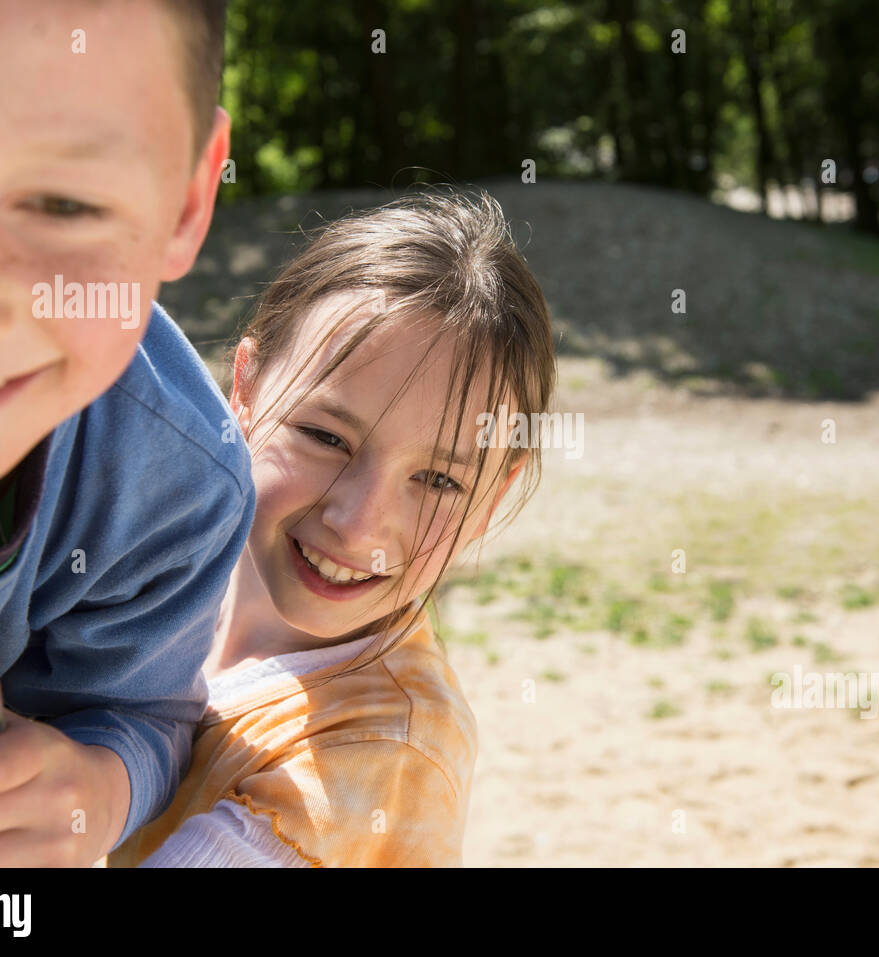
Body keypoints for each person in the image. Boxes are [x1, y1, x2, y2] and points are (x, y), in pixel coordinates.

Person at [0, 0, 253, 865]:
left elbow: (146, 711)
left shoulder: (173, 485)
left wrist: (98, 789)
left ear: (188, 200)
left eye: (62, 203)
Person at [110, 189, 557, 866]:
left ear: (492, 499)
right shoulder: (170, 558)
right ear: (247, 390)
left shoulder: (382, 752)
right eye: (325, 435)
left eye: (438, 480)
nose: (357, 523)